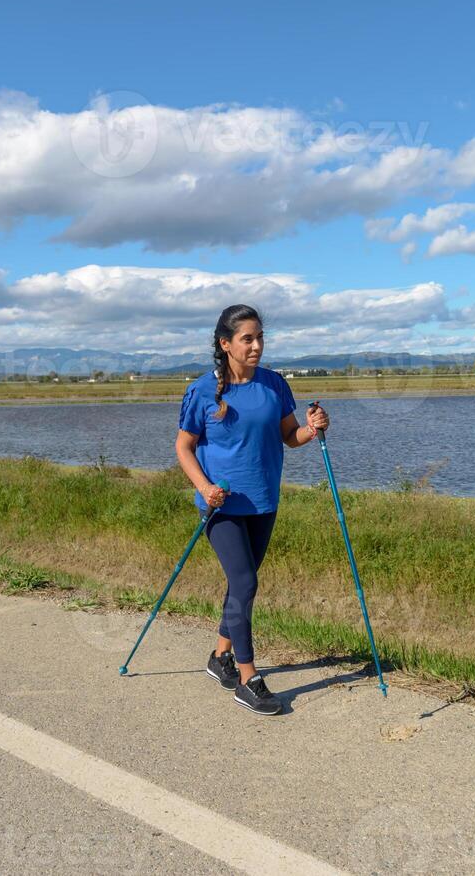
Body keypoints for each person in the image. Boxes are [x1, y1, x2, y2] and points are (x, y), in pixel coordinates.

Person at [175, 304, 329, 715]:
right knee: (245, 584)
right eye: (248, 338)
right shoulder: (202, 391)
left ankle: (219, 656)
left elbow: (289, 438)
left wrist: (313, 428)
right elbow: (183, 447)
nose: (257, 345)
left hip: (263, 500)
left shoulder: (274, 385)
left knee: (241, 583)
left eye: (260, 337)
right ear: (225, 344)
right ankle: (248, 678)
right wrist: (205, 488)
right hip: (221, 505)